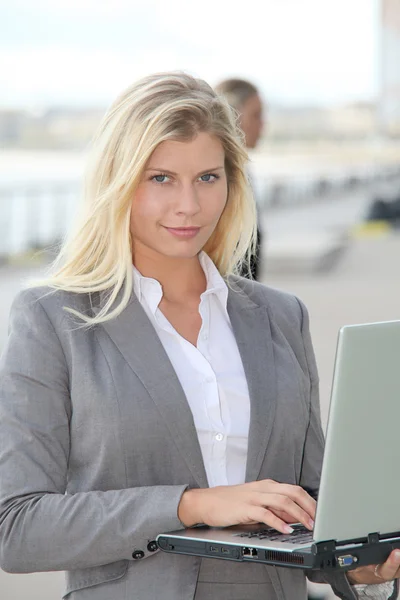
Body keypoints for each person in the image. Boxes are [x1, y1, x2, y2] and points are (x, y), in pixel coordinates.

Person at [0, 72, 398, 600]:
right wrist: (191, 504)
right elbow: (17, 527)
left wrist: (356, 563)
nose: (189, 205)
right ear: (118, 182)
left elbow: (312, 506)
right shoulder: (54, 319)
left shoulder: (281, 317)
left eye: (208, 177)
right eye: (161, 178)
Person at [215, 78, 264, 280]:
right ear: (232, 116)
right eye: (256, 115)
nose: (263, 124)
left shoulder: (240, 172)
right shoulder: (220, 180)